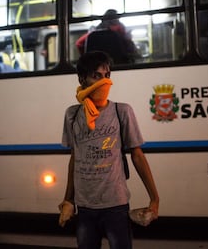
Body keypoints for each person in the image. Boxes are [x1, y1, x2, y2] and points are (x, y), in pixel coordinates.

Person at [59, 51, 159, 249]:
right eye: (96, 76)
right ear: (82, 79)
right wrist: (68, 200)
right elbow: (74, 159)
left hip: (116, 205)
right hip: (85, 206)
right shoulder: (73, 114)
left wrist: (155, 198)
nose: (104, 82)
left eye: (107, 76)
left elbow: (137, 156)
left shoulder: (121, 111)